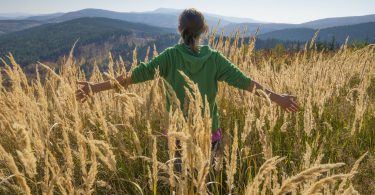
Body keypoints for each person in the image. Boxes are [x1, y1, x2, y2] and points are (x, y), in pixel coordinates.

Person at [76, 8, 299, 156]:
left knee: (180, 182)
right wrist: (278, 98)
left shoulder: (170, 57)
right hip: (208, 134)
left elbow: (132, 77)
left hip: (177, 134)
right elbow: (246, 83)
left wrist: (94, 88)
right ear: (203, 31)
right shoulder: (214, 59)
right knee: (207, 181)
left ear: (180, 30)